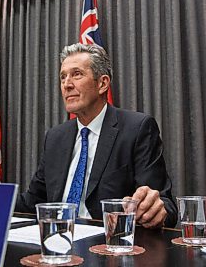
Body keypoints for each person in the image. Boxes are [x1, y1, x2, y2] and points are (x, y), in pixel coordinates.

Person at [15, 43, 177, 228]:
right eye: (62, 77)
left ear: (102, 83)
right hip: (56, 241)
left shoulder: (137, 129)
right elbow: (33, 201)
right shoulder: (55, 137)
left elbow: (166, 206)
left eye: (76, 74)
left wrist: (154, 209)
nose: (67, 85)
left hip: (107, 244)